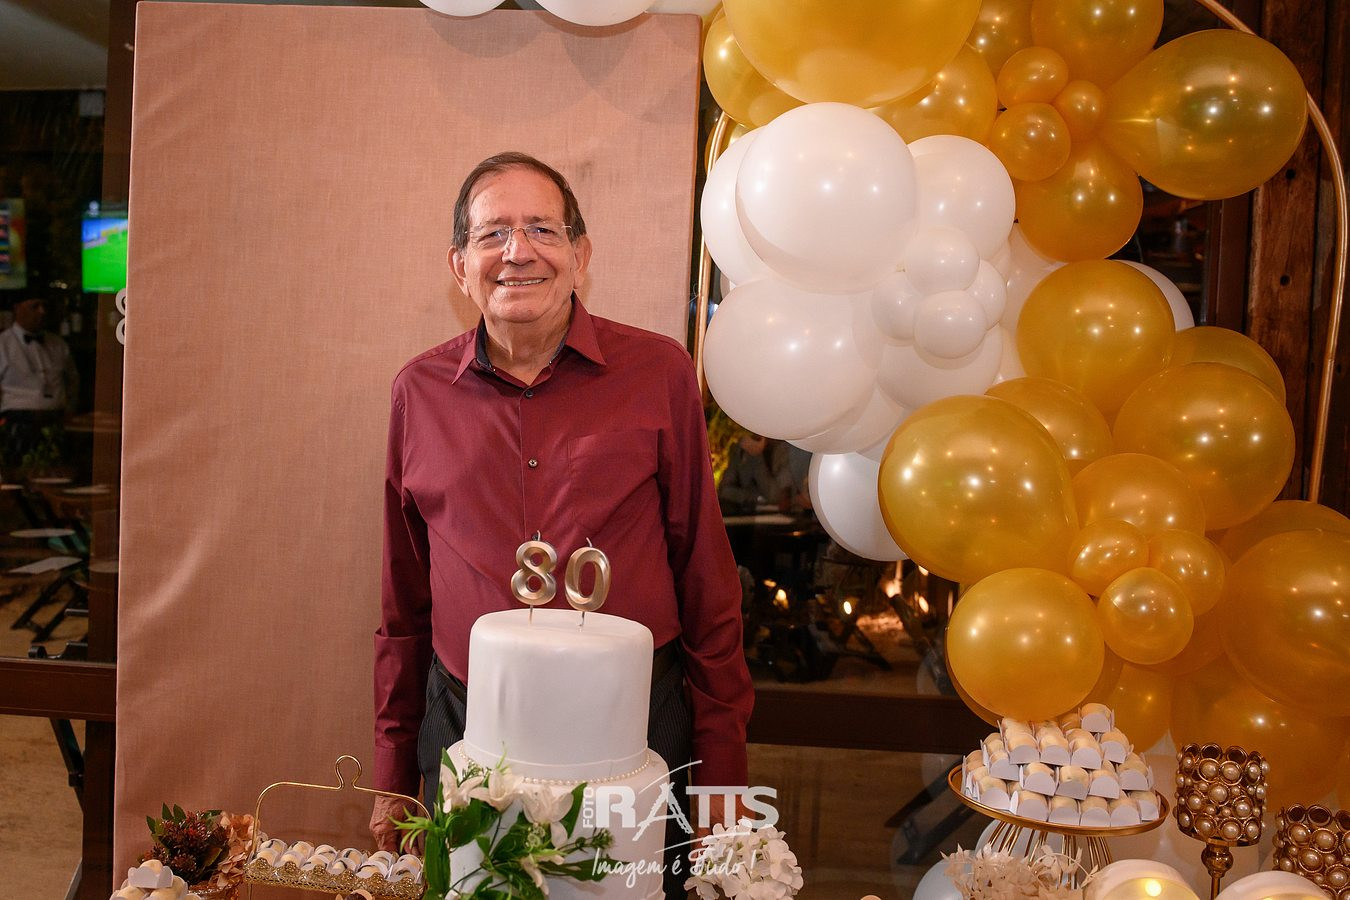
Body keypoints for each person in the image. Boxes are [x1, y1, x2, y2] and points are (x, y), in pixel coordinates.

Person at [370, 153, 754, 879]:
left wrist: (722, 771)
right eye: (492, 233)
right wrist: (392, 771)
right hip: (466, 723)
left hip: (638, 727)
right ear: (459, 265)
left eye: (542, 229)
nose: (518, 251)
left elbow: (706, 578)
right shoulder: (416, 394)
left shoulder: (659, 373)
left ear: (581, 255)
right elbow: (403, 603)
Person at [0, 295, 77, 472]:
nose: (42, 312)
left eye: (44, 306)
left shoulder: (58, 344)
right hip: (16, 423)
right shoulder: (2, 344)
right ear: (17, 308)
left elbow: (73, 381)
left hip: (55, 422)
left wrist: (70, 411)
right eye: (35, 306)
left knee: (56, 475)